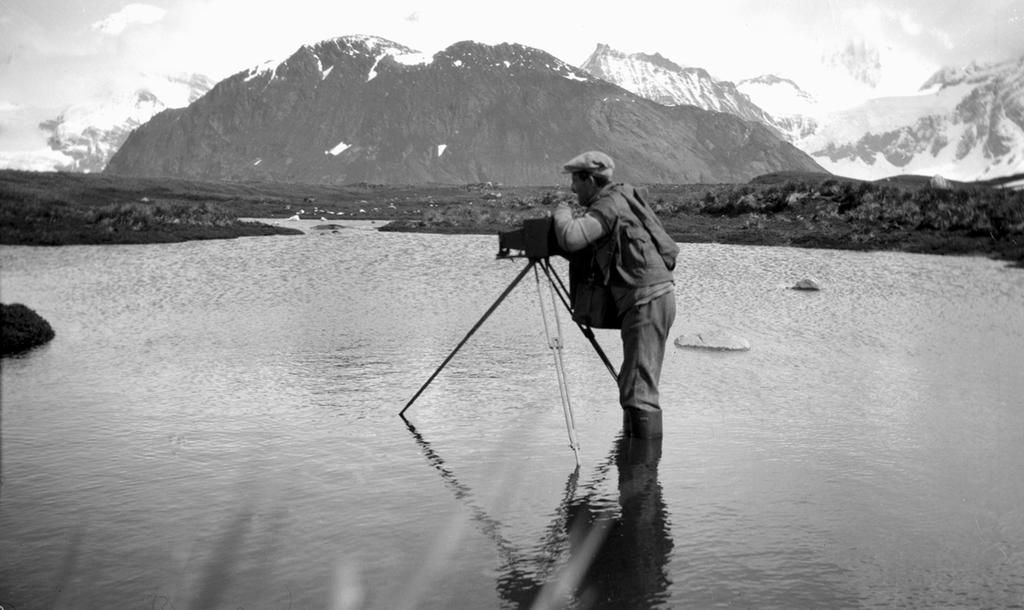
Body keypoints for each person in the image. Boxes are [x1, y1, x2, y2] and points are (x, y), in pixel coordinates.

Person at [551, 151, 677, 439]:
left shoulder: (609, 205)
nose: (572, 188)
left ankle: (642, 476)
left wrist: (562, 211)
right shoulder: (623, 197)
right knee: (634, 386)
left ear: (590, 180)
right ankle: (634, 469)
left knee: (638, 393)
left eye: (575, 181)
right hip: (652, 298)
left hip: (646, 301)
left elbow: (571, 238)